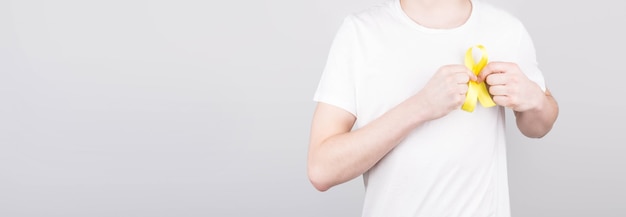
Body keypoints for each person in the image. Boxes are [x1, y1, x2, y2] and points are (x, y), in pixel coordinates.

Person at [307, 0, 559, 216]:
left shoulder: (506, 30)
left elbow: (537, 127)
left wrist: (535, 99)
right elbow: (322, 170)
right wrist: (421, 106)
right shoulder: (360, 34)